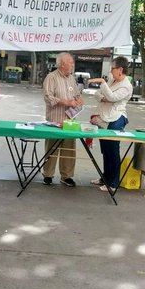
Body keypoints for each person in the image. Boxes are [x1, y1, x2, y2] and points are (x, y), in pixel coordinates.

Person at [88, 56, 133, 192]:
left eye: (112, 68)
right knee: (105, 150)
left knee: (113, 150)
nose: (111, 71)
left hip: (117, 118)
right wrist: (104, 98)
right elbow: (97, 94)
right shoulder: (112, 81)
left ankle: (113, 183)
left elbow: (113, 98)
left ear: (120, 69)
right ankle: (105, 178)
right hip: (104, 117)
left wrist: (102, 83)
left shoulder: (126, 85)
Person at [42, 52, 83, 187]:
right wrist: (65, 102)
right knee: (52, 148)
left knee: (69, 149)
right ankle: (48, 175)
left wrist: (78, 99)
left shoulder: (71, 78)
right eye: (70, 62)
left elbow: (76, 94)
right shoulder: (51, 77)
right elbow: (48, 97)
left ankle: (66, 176)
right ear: (62, 64)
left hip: (70, 120)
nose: (72, 65)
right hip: (55, 120)